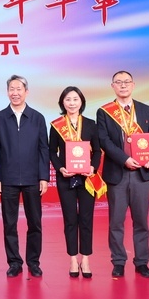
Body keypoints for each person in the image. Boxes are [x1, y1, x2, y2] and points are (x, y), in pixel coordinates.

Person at [96, 70, 149, 279]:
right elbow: (104, 141)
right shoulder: (104, 112)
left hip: (141, 174)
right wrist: (124, 159)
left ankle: (142, 262)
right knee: (116, 222)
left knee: (141, 221)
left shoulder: (145, 109)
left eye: (127, 82)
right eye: (118, 82)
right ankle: (118, 261)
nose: (123, 85)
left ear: (133, 85)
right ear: (112, 86)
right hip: (117, 173)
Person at [0, 75, 49, 278]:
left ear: (26, 92)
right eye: (11, 89)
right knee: (9, 223)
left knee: (35, 223)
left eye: (19, 89)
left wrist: (44, 177)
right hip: (8, 179)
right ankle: (14, 262)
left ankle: (33, 262)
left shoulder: (37, 118)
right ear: (7, 92)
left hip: (33, 179)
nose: (15, 93)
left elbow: (43, 149)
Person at [49, 85, 100, 279]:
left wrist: (93, 167)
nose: (72, 103)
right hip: (66, 178)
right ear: (62, 103)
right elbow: (51, 151)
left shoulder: (91, 124)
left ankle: (85, 258)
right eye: (68, 99)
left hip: (87, 179)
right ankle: (72, 258)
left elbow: (97, 151)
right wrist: (61, 168)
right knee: (70, 219)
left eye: (75, 99)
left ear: (81, 102)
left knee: (86, 219)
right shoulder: (56, 125)